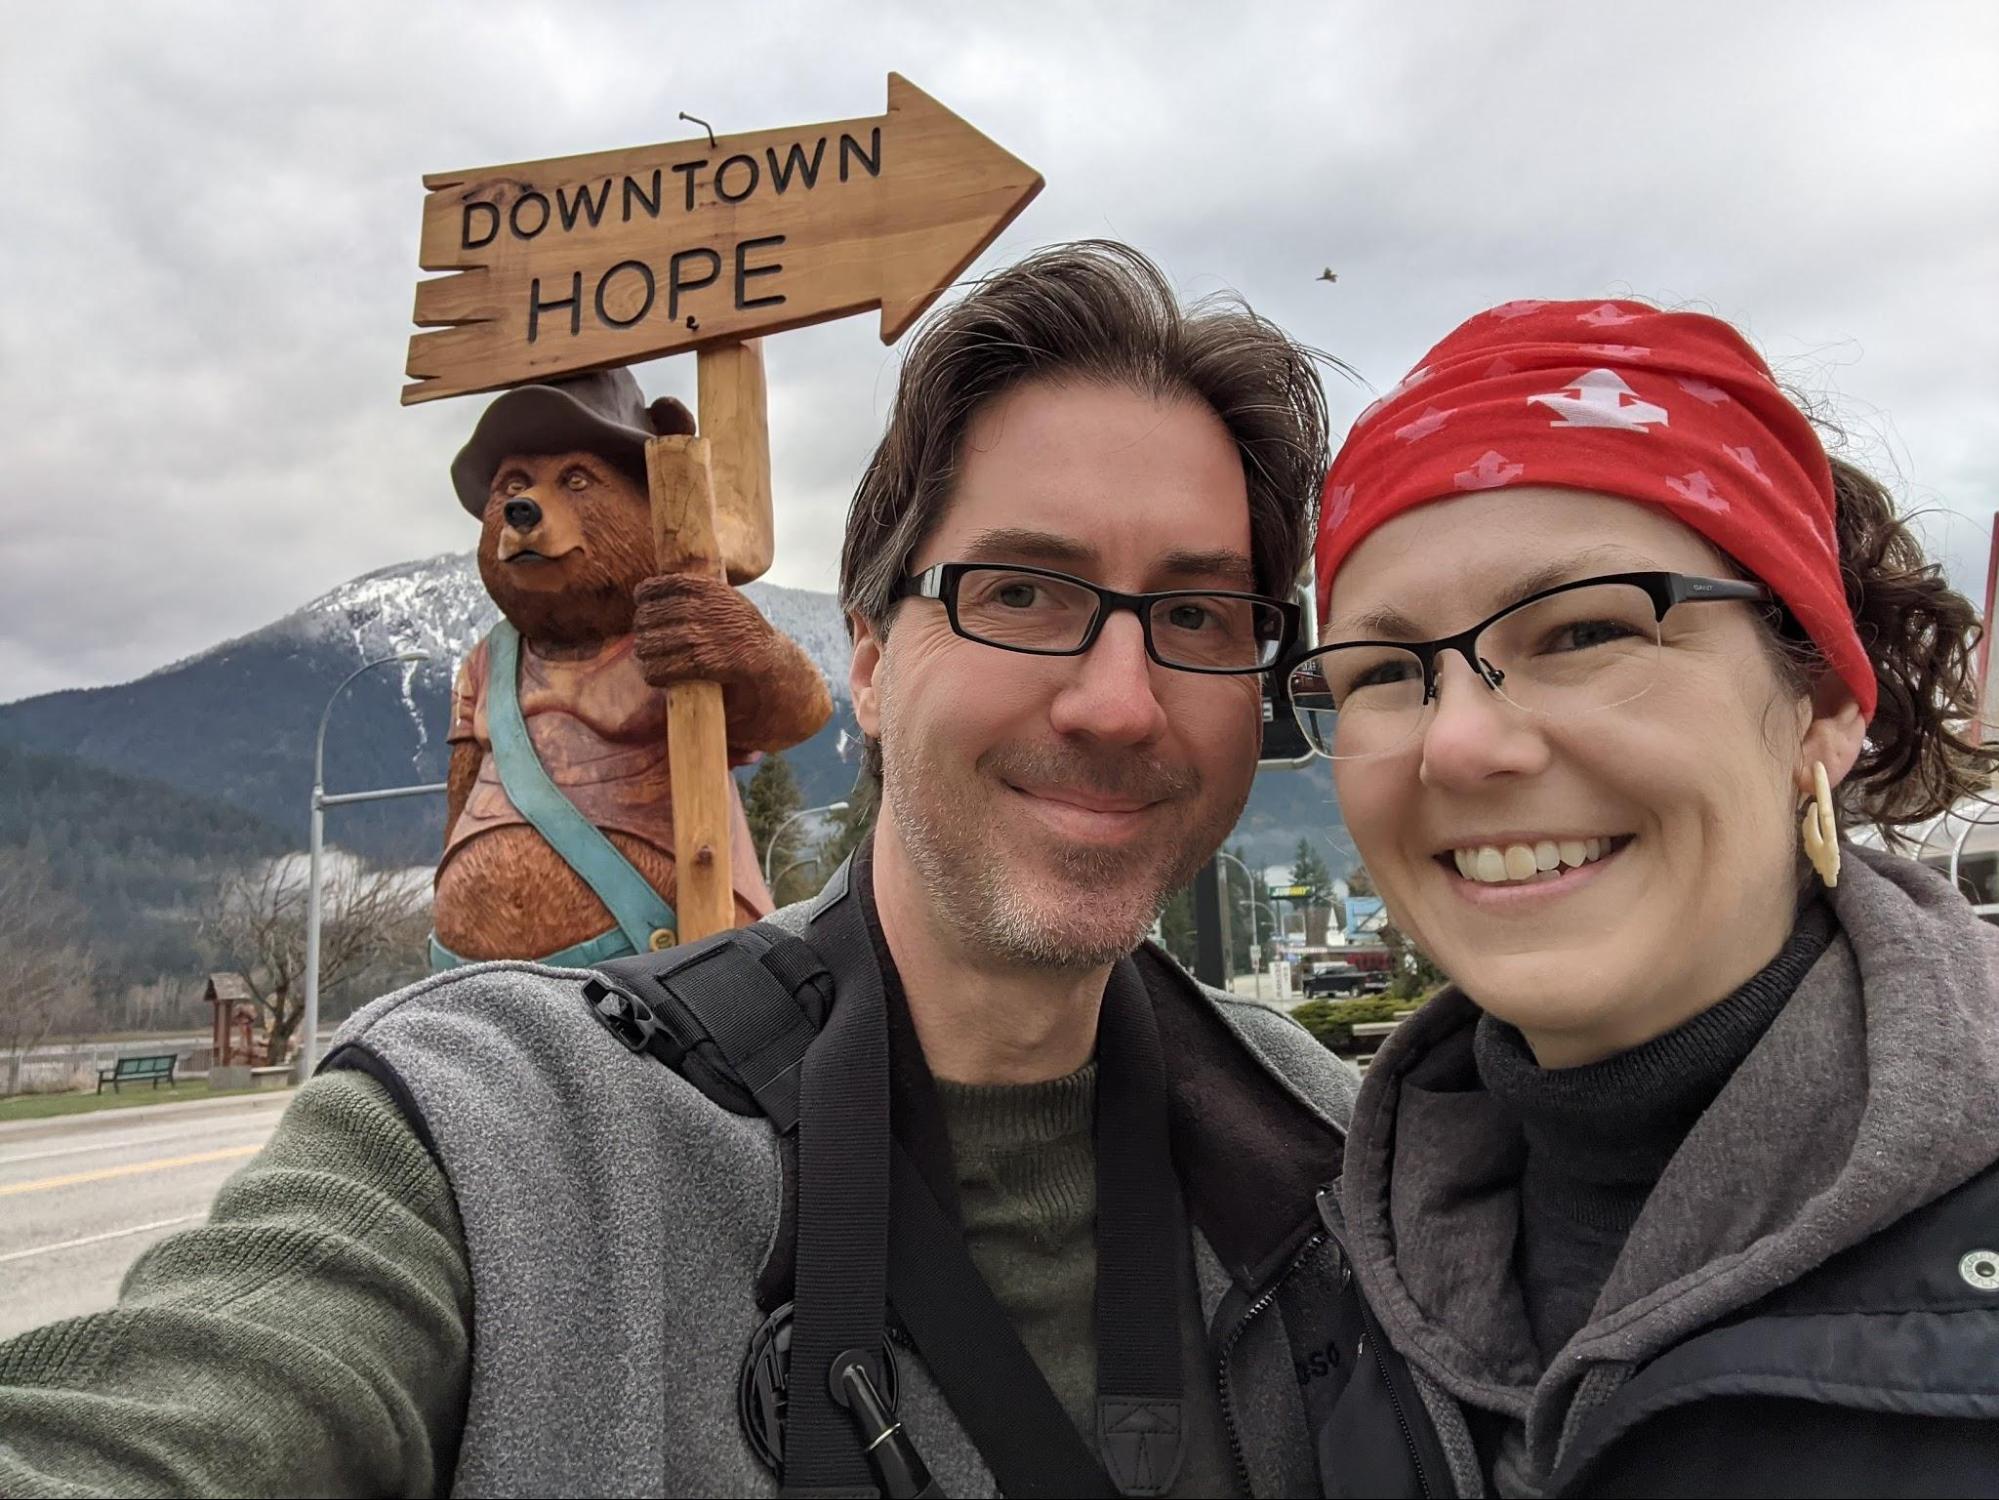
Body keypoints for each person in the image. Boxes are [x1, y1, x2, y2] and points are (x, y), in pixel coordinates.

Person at [0, 242, 1357, 1499]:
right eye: (1018, 593)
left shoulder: (1351, 1156)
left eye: (1194, 615)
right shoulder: (498, 1134)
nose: (1115, 705)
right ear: (872, 664)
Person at [1288, 299, 1999, 1496]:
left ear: (1821, 701)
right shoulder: (1308, 1257)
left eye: (1580, 631)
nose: (1458, 745)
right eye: (1385, 672)